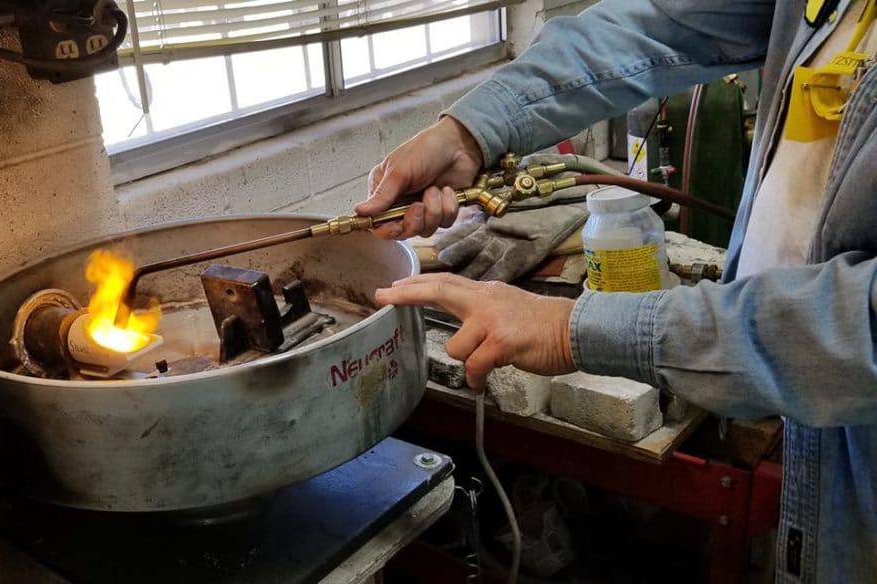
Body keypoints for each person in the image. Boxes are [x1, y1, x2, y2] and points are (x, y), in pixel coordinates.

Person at [358, 1, 877, 582]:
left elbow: (864, 330)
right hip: (791, 394)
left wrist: (570, 327)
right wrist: (470, 131)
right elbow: (659, 23)